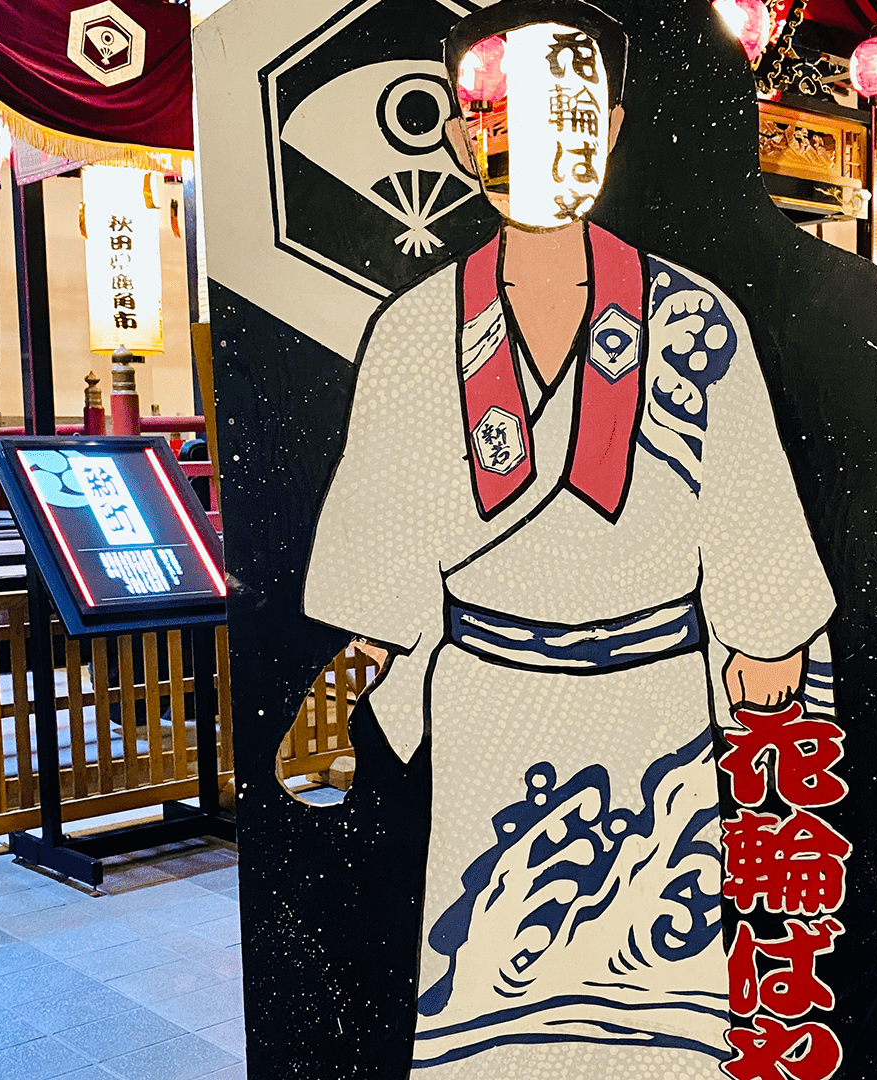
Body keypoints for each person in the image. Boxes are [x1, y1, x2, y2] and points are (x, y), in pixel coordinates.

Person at [298, 2, 836, 1076]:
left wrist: (768, 634)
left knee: (658, 994)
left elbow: (749, 508)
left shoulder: (694, 318)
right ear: (458, 133)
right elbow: (378, 549)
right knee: (489, 985)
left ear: (614, 124)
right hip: (495, 700)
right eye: (493, 113)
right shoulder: (414, 334)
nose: (525, 141)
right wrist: (342, 690)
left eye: (562, 113)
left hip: (656, 708)